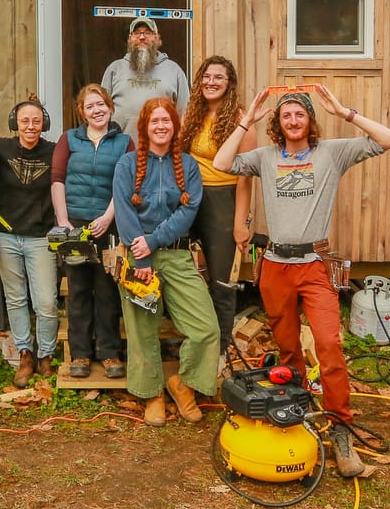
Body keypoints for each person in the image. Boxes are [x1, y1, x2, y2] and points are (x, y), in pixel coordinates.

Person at [213, 84, 390, 477]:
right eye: (286, 116)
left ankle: (341, 429)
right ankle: (294, 413)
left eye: (300, 114)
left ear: (310, 120)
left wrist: (344, 111)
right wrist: (248, 118)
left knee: (329, 345)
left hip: (315, 264)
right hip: (275, 266)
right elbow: (222, 161)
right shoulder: (264, 157)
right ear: (278, 124)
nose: (293, 121)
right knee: (287, 350)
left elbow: (389, 139)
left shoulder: (331, 153)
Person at [113, 97, 218, 427]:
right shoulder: (127, 165)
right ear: (144, 126)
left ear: (175, 127)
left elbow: (188, 211)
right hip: (137, 259)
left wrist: (154, 241)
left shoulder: (188, 166)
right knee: (142, 330)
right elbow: (124, 210)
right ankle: (152, 394)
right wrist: (139, 254)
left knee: (206, 328)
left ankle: (183, 385)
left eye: (166, 121)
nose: (160, 126)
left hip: (175, 254)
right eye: (154, 120)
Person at [51, 84, 133, 380]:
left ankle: (110, 353)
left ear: (110, 107)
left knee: (107, 289)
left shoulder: (124, 142)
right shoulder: (69, 139)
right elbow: (58, 179)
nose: (96, 110)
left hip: (109, 224)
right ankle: (81, 353)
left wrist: (107, 216)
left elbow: (127, 183)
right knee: (79, 289)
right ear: (82, 113)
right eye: (90, 106)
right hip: (75, 226)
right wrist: (64, 220)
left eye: (101, 104)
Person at [0, 99, 58, 388]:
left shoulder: (54, 151)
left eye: (36, 121)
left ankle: (46, 354)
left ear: (44, 123)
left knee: (47, 302)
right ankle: (25, 353)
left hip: (41, 237)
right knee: (15, 298)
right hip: (6, 235)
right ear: (15, 123)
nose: (30, 127)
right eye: (24, 120)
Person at [181, 55, 257, 347]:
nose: (211, 82)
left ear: (230, 84)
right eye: (206, 76)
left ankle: (221, 345)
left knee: (222, 277)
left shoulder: (239, 120)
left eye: (218, 78)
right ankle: (191, 335)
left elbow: (245, 177)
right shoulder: (192, 114)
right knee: (180, 268)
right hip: (191, 197)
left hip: (223, 199)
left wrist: (240, 223)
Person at [101, 18, 189, 138]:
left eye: (147, 32)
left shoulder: (174, 70)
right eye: (137, 33)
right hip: (120, 150)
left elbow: (184, 114)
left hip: (161, 151)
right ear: (129, 39)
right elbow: (101, 110)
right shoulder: (114, 69)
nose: (142, 37)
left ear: (157, 38)